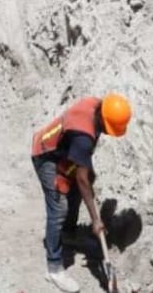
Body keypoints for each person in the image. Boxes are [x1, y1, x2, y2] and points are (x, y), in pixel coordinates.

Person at [30, 94, 132, 293]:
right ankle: (54, 268)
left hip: (63, 152)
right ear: (104, 120)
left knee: (76, 192)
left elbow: (83, 176)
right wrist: (96, 220)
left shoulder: (96, 107)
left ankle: (68, 235)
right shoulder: (83, 137)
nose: (110, 134)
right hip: (45, 154)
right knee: (58, 207)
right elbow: (82, 179)